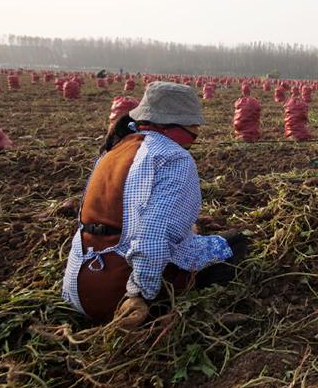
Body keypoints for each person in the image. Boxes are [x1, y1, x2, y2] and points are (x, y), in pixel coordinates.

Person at [61, 81, 246, 327]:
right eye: (195, 121)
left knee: (189, 235)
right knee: (234, 243)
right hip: (117, 297)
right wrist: (138, 294)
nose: (198, 128)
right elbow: (152, 235)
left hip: (79, 284)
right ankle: (182, 307)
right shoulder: (174, 157)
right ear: (179, 122)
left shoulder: (115, 149)